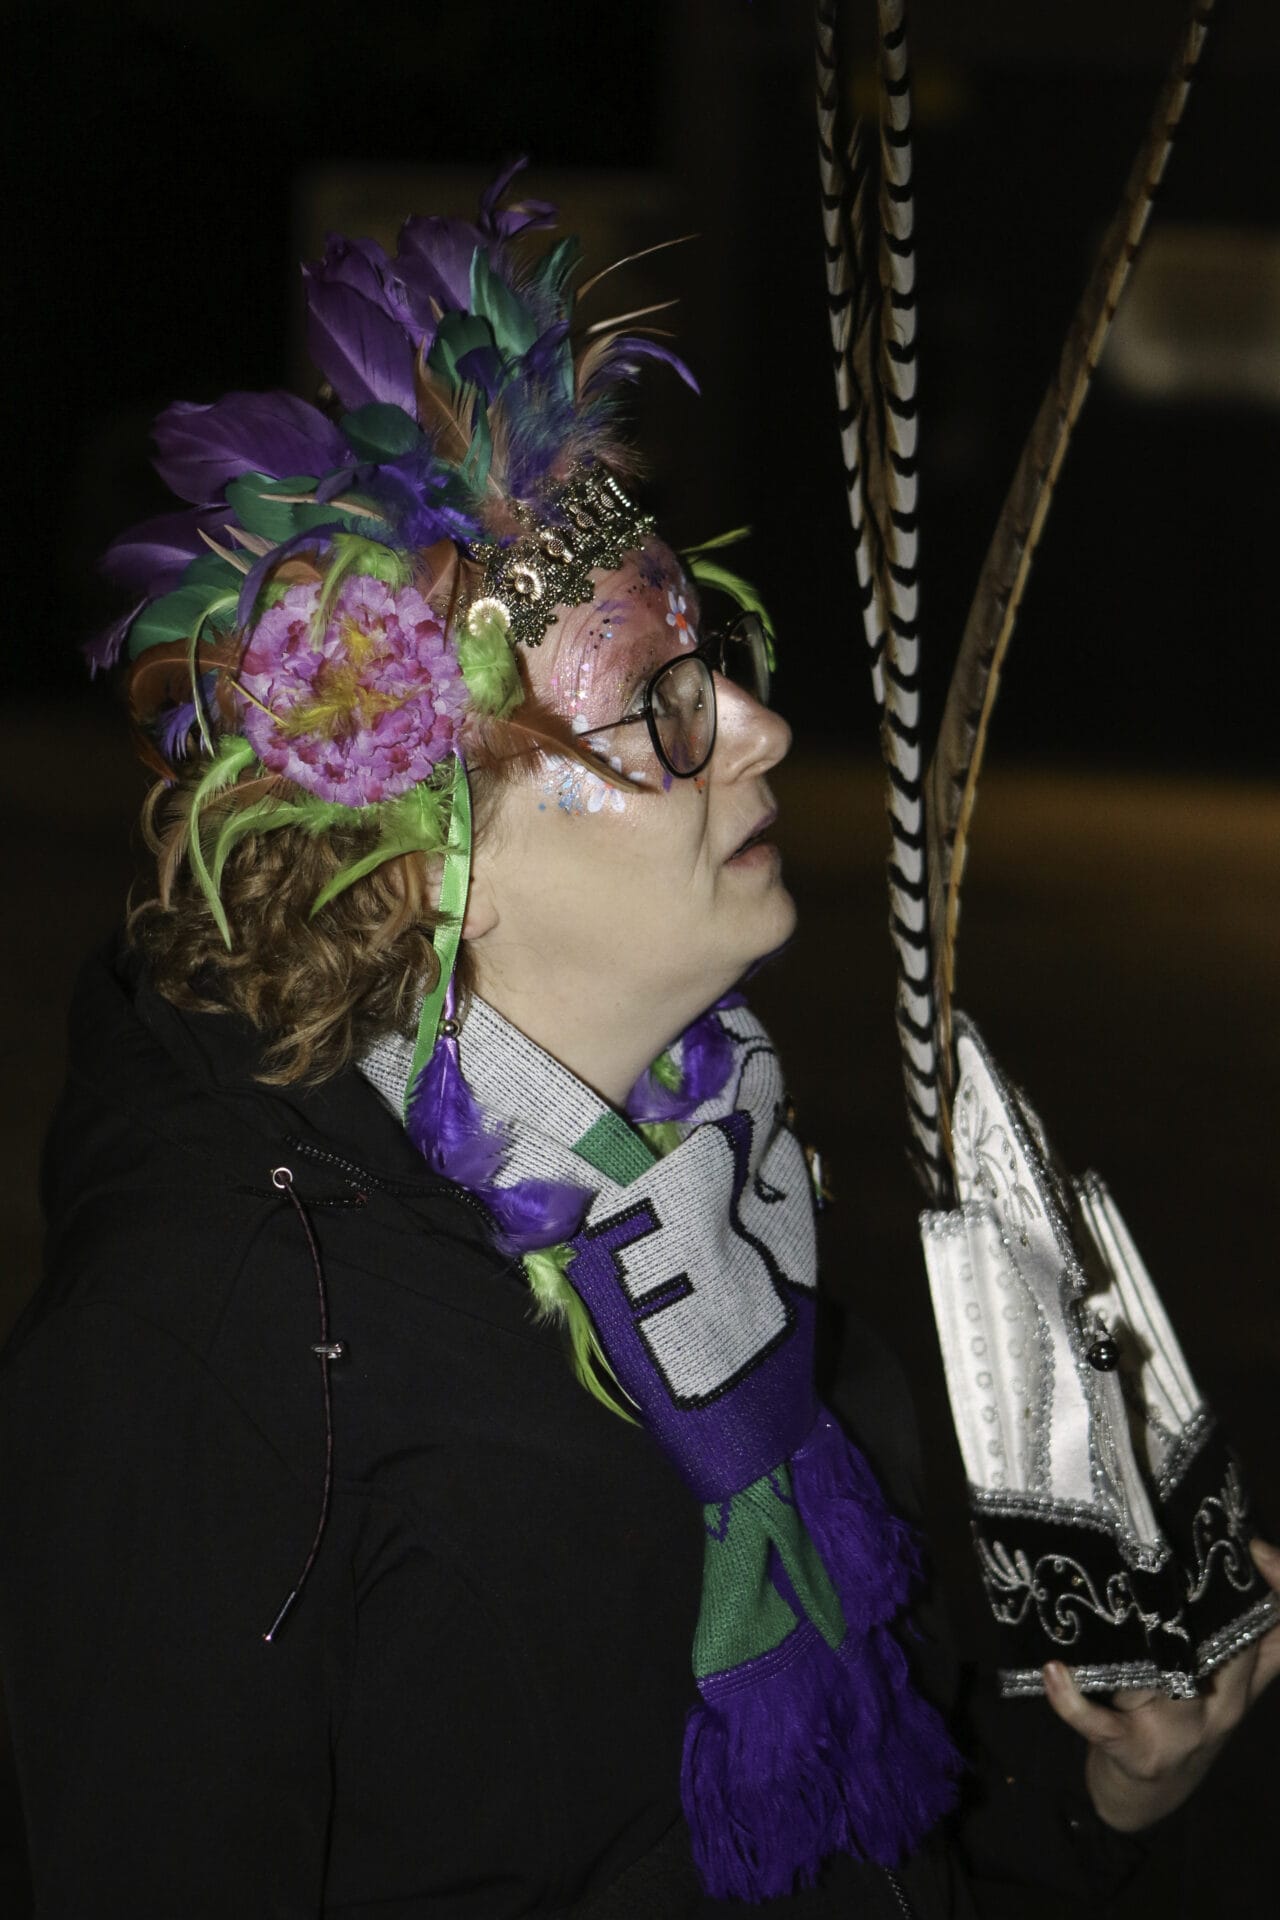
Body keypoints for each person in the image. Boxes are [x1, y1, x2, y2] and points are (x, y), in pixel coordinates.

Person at [0, 164, 1274, 1920]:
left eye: (717, 658)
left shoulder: (715, 1180)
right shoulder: (213, 1349)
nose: (755, 727)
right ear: (431, 857)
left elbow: (873, 1819)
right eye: (661, 703)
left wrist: (1103, 1798)